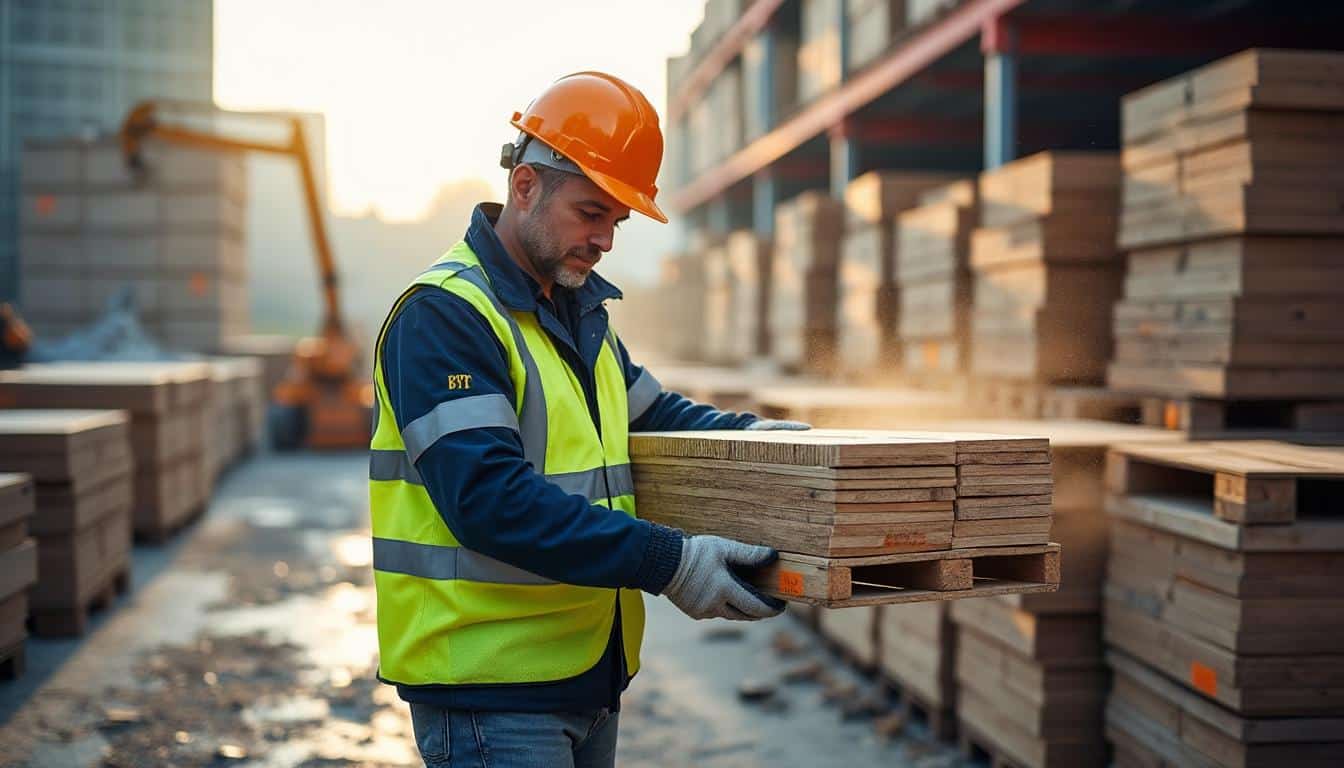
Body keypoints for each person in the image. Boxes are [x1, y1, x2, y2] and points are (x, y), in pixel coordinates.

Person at [368, 71, 809, 768]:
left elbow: (654, 413)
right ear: (526, 187)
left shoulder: (577, 312)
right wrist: (673, 563)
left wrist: (752, 437)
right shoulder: (445, 316)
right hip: (490, 690)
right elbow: (488, 501)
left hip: (584, 675)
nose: (604, 238)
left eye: (617, 221)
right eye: (590, 212)